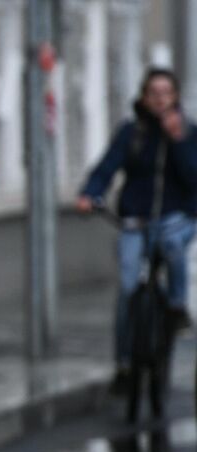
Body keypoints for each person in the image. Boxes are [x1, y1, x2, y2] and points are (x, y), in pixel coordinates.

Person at [76, 67, 197, 390]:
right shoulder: (132, 131)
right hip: (136, 218)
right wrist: (91, 193)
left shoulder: (188, 132)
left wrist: (179, 142)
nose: (159, 100)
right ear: (144, 97)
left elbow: (193, 177)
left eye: (166, 93)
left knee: (173, 248)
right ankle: (125, 362)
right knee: (128, 286)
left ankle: (176, 306)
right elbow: (108, 166)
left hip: (175, 217)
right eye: (153, 93)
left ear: (175, 97)